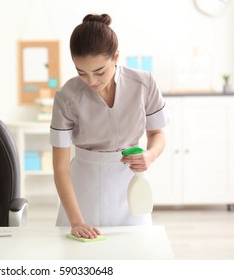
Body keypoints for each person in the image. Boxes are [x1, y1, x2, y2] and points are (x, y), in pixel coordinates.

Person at [50, 13, 171, 239]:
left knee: (135, 253)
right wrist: (76, 221)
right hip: (82, 189)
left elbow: (157, 134)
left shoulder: (144, 84)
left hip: (130, 184)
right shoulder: (67, 96)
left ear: (116, 56)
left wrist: (150, 155)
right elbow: (60, 167)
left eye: (99, 71)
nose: (92, 81)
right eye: (81, 72)